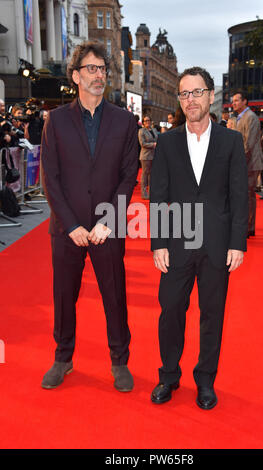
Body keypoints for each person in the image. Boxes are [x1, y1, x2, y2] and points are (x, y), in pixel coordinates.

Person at [40, 40, 138, 392]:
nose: (99, 75)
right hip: (67, 229)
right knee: (64, 295)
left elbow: (129, 175)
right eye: (91, 69)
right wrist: (72, 225)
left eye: (103, 69)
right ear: (75, 75)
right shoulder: (57, 120)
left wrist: (108, 220)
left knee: (115, 295)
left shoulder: (125, 122)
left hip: (107, 227)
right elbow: (50, 177)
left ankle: (119, 360)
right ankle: (63, 357)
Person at [150, 66, 248, 410]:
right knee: (171, 311)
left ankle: (205, 380)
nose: (190, 99)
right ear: (180, 99)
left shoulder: (231, 141)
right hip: (176, 243)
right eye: (184, 93)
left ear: (209, 94)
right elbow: (158, 194)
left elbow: (239, 196)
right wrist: (158, 242)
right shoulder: (167, 141)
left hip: (217, 246)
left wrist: (238, 242)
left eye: (197, 92)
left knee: (212, 314)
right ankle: (168, 376)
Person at [232, 92, 263, 238]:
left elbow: (249, 143)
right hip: (245, 161)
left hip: (250, 162)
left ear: (245, 101)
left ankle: (247, 227)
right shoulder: (239, 118)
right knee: (246, 195)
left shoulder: (250, 117)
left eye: (237, 100)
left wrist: (238, 162)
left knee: (247, 195)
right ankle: (247, 226)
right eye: (233, 101)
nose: (234, 103)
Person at [138, 115, 158, 199]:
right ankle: (144, 193)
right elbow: (142, 143)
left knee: (152, 175)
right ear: (143, 122)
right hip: (145, 156)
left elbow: (158, 139)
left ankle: (151, 192)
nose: (147, 122)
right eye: (145, 121)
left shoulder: (154, 130)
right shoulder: (141, 131)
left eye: (149, 120)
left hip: (154, 155)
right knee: (145, 174)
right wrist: (153, 144)